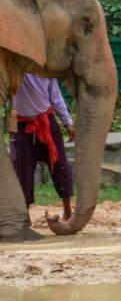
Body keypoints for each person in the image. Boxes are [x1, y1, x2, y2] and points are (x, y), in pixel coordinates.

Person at [9, 72, 76, 224]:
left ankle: (67, 210)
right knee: (22, 171)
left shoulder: (46, 69)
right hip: (20, 126)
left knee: (60, 166)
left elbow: (55, 96)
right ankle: (24, 216)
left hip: (46, 123)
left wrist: (68, 122)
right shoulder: (11, 66)